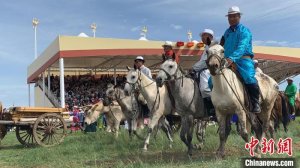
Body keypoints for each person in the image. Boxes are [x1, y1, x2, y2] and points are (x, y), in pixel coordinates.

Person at [223, 6, 260, 113]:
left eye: (234, 16)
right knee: (212, 80)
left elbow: (242, 46)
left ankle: (255, 102)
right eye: (230, 17)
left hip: (243, 60)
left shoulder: (245, 31)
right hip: (227, 61)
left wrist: (232, 58)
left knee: (248, 77)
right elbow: (224, 47)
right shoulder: (227, 32)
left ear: (239, 17)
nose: (232, 19)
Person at [192, 29, 215, 116]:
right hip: (203, 70)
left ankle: (211, 108)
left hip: (209, 70)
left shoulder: (212, 46)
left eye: (204, 35)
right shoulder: (206, 47)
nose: (202, 38)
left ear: (210, 37)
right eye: (202, 36)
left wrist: (194, 68)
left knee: (204, 88)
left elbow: (205, 61)